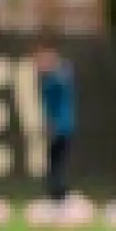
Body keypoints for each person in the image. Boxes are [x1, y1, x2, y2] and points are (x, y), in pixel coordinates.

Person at [31, 45, 77, 202]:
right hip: (56, 128)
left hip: (62, 129)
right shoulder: (46, 80)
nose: (38, 65)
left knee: (57, 165)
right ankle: (56, 198)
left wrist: (53, 126)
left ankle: (60, 199)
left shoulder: (57, 78)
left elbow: (65, 75)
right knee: (53, 165)